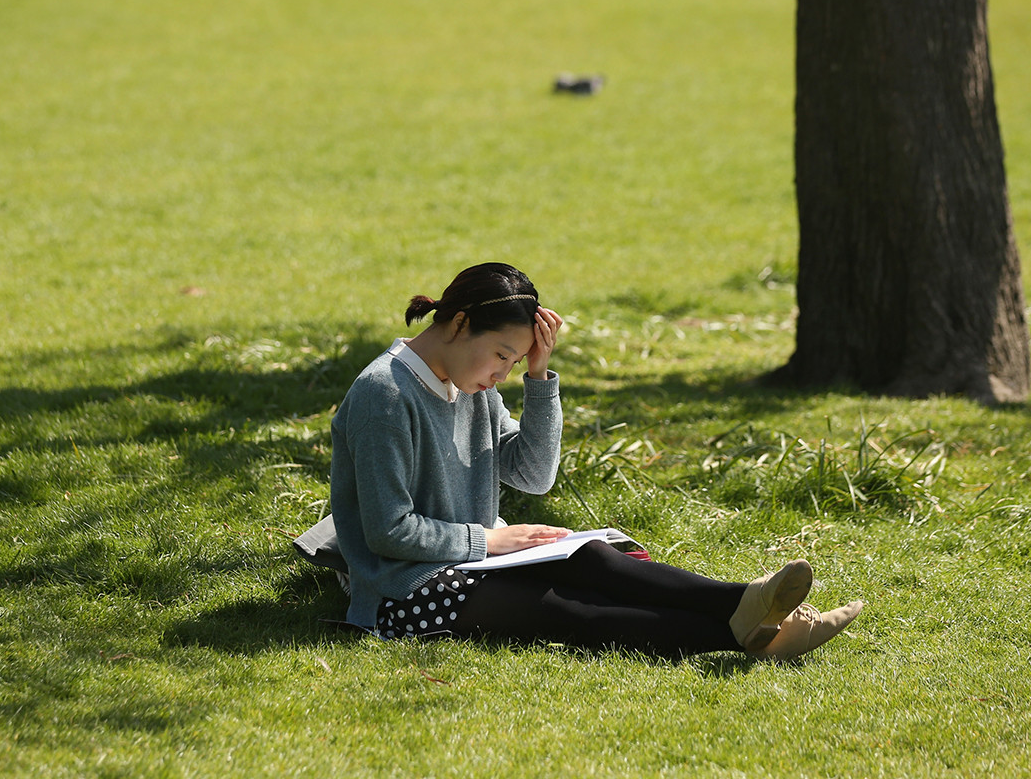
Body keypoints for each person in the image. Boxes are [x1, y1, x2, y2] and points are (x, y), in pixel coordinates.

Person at [317, 262, 862, 659]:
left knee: (591, 559)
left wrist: (538, 379)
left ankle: (746, 600)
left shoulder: (471, 384)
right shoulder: (385, 394)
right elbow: (388, 530)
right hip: (404, 591)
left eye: (514, 361)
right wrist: (490, 540)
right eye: (503, 355)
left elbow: (533, 474)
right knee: (562, 607)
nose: (502, 372)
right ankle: (755, 635)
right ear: (458, 324)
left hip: (476, 560)